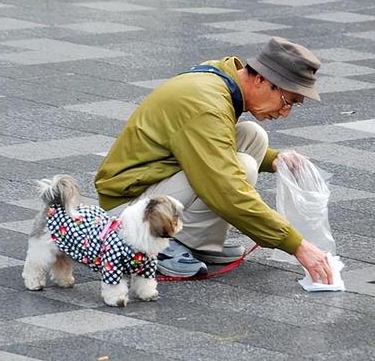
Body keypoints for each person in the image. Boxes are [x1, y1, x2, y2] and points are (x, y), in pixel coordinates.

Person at [95, 36, 333, 284]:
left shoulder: (222, 77)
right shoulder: (207, 104)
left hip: (152, 180)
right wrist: (297, 245)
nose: (285, 113)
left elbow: (213, 146)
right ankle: (157, 243)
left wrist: (275, 160)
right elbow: (228, 190)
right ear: (261, 79)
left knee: (254, 137)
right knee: (240, 168)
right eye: (288, 101)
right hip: (127, 210)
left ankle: (195, 242)